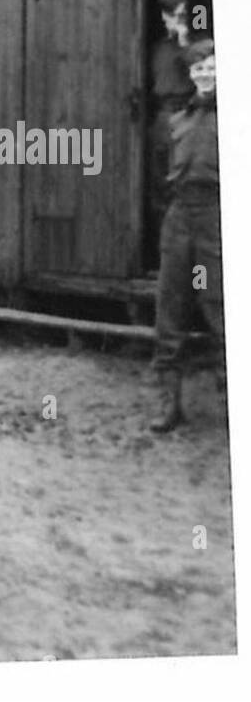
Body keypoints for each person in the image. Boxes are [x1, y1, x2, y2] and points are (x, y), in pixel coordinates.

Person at [151, 38, 221, 432]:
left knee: (223, 309)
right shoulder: (178, 118)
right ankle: (169, 406)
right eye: (198, 68)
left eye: (211, 66)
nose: (205, 74)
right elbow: (163, 174)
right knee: (170, 310)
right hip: (180, 216)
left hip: (216, 216)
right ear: (190, 74)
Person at [147, 0, 198, 256]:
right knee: (158, 184)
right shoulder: (157, 48)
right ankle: (161, 252)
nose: (176, 20)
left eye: (180, 15)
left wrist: (185, 41)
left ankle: (182, 255)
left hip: (183, 115)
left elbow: (200, 75)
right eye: (171, 15)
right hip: (160, 117)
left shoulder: (194, 46)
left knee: (180, 183)